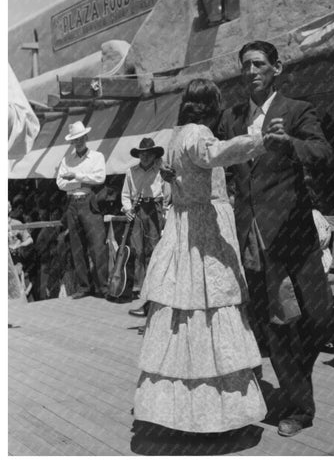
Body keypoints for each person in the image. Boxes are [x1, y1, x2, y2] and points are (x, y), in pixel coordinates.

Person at [134, 78, 272, 433]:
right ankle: (213, 415)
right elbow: (214, 154)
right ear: (213, 106)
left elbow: (174, 172)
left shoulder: (177, 134)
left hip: (184, 226)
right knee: (210, 306)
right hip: (203, 228)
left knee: (187, 310)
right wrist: (259, 140)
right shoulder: (197, 133)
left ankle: (183, 410)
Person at [217, 40, 334, 437]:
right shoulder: (232, 119)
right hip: (254, 239)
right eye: (246, 65)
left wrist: (290, 146)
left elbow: (324, 153)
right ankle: (299, 407)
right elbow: (221, 168)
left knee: (318, 317)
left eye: (260, 64)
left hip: (295, 235)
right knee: (279, 325)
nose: (252, 71)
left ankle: (297, 379)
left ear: (276, 68)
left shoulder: (296, 110)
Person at [56, 120, 109, 299]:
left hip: (88, 201)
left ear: (86, 137)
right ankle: (85, 287)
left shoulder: (97, 156)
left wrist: (75, 176)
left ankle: (103, 286)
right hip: (72, 203)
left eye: (80, 138)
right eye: (75, 139)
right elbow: (60, 183)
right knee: (77, 245)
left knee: (97, 245)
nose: (78, 141)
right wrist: (82, 180)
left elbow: (100, 177)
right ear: (71, 142)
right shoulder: (66, 159)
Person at [119, 138, 171, 312]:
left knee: (154, 249)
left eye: (149, 154)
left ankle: (154, 288)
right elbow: (126, 195)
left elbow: (166, 194)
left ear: (154, 155)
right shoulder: (131, 172)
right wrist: (128, 209)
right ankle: (140, 288)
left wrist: (165, 213)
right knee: (137, 249)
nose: (145, 157)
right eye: (142, 154)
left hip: (155, 208)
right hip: (138, 209)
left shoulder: (160, 172)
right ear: (139, 155)